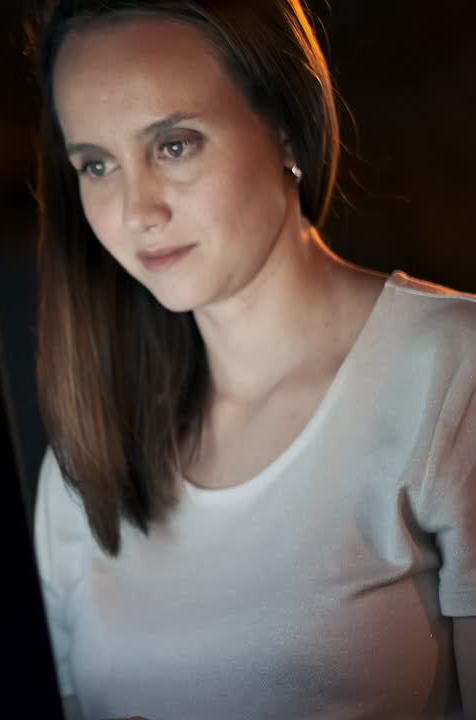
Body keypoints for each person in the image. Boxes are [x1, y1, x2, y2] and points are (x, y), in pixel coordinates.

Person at [29, 1, 476, 718]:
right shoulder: (88, 456)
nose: (138, 210)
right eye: (97, 165)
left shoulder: (450, 370)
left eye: (174, 146)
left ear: (286, 127)